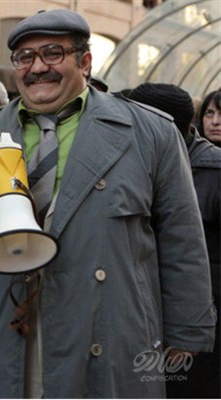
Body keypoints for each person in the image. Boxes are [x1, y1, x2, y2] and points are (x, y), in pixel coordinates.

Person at [0, 9, 215, 398]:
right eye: (24, 57)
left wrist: (186, 331)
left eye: (52, 53)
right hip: (0, 329)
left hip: (104, 329)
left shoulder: (151, 133)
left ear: (85, 61)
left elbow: (182, 238)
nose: (37, 67)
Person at [129, 83, 221, 398]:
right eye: (210, 113)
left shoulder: (213, 169)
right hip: (142, 310)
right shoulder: (134, 162)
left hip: (197, 317)